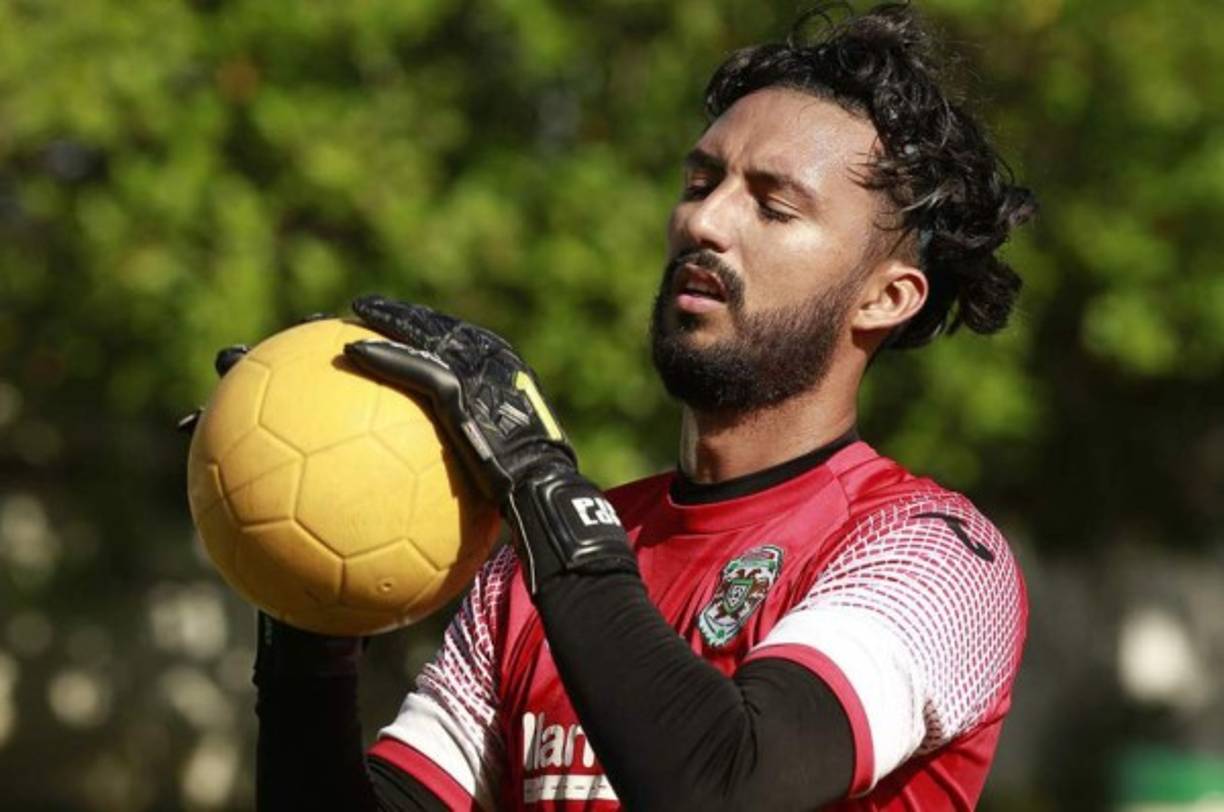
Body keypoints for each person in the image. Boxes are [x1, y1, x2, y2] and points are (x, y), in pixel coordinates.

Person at [250, 4, 1036, 810]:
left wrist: (538, 484)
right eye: (700, 183)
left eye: (771, 204)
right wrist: (306, 598)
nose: (703, 219)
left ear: (885, 297)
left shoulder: (935, 558)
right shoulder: (534, 569)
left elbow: (724, 785)